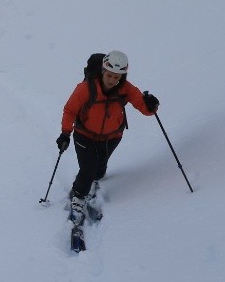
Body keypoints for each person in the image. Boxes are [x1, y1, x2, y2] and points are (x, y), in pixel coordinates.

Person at [56, 50, 159, 219]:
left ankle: (95, 176)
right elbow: (70, 111)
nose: (112, 80)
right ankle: (78, 195)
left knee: (99, 170)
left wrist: (151, 105)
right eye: (109, 75)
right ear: (103, 71)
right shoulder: (86, 89)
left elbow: (144, 108)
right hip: (85, 135)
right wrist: (65, 133)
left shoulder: (126, 88)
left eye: (116, 77)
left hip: (112, 137)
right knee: (88, 169)